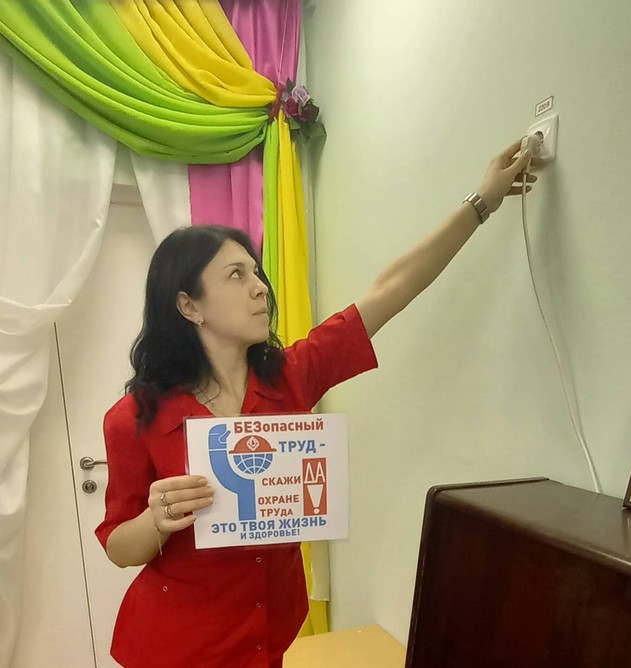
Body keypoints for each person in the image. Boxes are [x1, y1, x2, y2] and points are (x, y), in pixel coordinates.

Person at [96, 140, 536, 668]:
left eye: (256, 272)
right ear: (189, 306)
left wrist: (482, 202)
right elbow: (119, 548)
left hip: (268, 637)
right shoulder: (133, 419)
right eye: (236, 275)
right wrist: (157, 517)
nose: (261, 288)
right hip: (176, 649)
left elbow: (390, 289)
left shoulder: (291, 378)